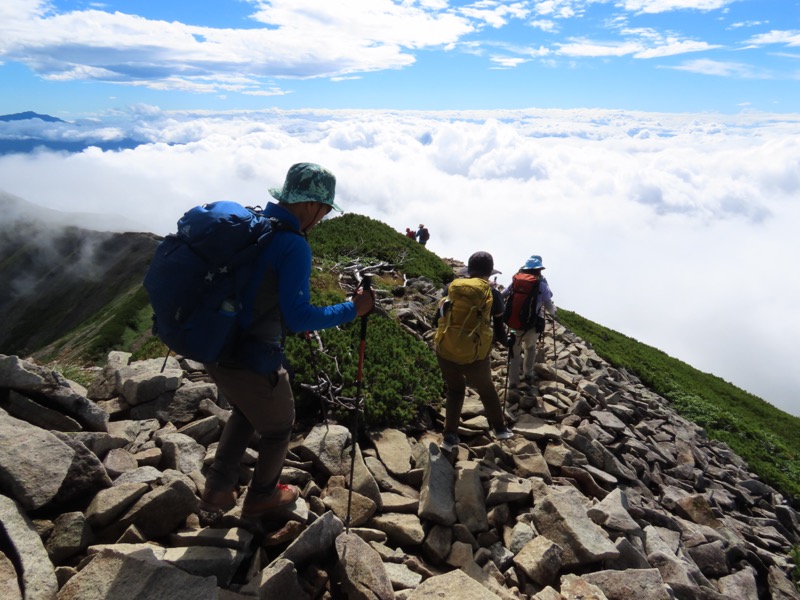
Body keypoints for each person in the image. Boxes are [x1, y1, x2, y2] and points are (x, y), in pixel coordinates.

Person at [199, 162, 375, 518]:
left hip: (214, 344)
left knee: (246, 411)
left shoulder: (254, 226)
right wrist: (352, 309)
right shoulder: (292, 245)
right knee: (279, 428)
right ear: (310, 204)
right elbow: (299, 317)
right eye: (324, 210)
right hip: (250, 353)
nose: (323, 217)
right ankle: (262, 496)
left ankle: (218, 490)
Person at [434, 251, 513, 451]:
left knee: (455, 390)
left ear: (469, 270)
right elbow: (500, 331)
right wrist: (508, 343)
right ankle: (500, 429)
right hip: (475, 356)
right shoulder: (492, 294)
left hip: (446, 350)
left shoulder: (451, 288)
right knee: (486, 390)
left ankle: (450, 436)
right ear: (489, 272)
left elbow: (437, 320)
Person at [502, 255, 556, 390]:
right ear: (539, 269)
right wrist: (554, 314)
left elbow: (503, 294)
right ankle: (528, 374)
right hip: (531, 325)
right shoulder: (542, 284)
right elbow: (549, 305)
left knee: (514, 352)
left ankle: (513, 382)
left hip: (513, 324)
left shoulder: (516, 280)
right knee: (530, 348)